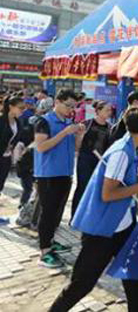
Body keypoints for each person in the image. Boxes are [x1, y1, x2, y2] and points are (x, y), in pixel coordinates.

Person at [49, 107, 138, 312]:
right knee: (82, 283)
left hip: (124, 226)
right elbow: (108, 194)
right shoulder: (121, 152)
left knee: (135, 279)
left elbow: (124, 181)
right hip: (103, 230)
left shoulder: (129, 147)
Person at [34, 89, 86, 268]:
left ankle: (50, 241)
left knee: (57, 213)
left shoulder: (68, 122)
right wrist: (64, 133)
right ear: (57, 102)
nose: (71, 110)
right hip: (48, 175)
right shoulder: (44, 121)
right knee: (48, 213)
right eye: (68, 105)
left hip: (65, 173)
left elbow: (76, 148)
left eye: (74, 107)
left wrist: (79, 135)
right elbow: (41, 147)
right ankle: (44, 251)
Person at [71, 101, 113, 221]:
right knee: (82, 187)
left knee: (96, 189)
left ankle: (89, 217)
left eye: (110, 110)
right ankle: (75, 216)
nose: (109, 113)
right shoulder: (87, 124)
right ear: (98, 111)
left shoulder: (110, 128)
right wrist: (80, 137)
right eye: (106, 110)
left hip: (100, 161)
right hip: (85, 159)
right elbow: (77, 145)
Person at [0, 96, 25, 200]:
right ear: (11, 107)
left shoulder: (18, 122)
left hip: (7, 157)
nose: (23, 110)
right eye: (20, 107)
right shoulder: (1, 120)